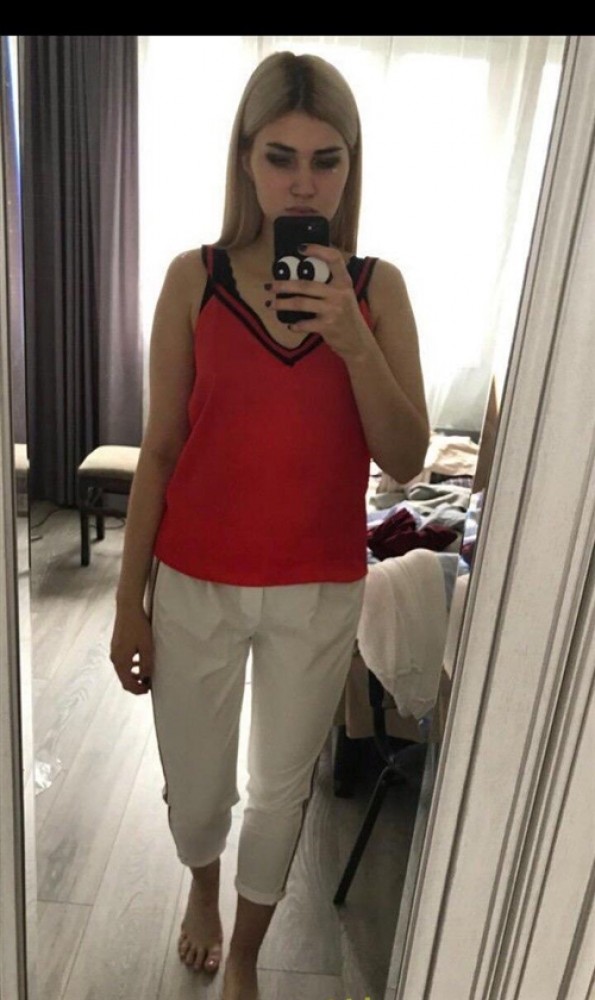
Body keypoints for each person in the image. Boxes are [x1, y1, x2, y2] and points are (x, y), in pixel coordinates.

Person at [110, 50, 429, 1000]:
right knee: (196, 783)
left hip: (317, 589)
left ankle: (246, 951)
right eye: (279, 157)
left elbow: (406, 456)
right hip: (193, 581)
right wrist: (127, 603)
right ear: (244, 160)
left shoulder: (378, 289)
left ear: (350, 166)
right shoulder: (192, 280)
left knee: (280, 789)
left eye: (326, 160)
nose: (302, 182)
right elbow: (160, 452)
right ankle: (199, 884)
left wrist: (352, 339)